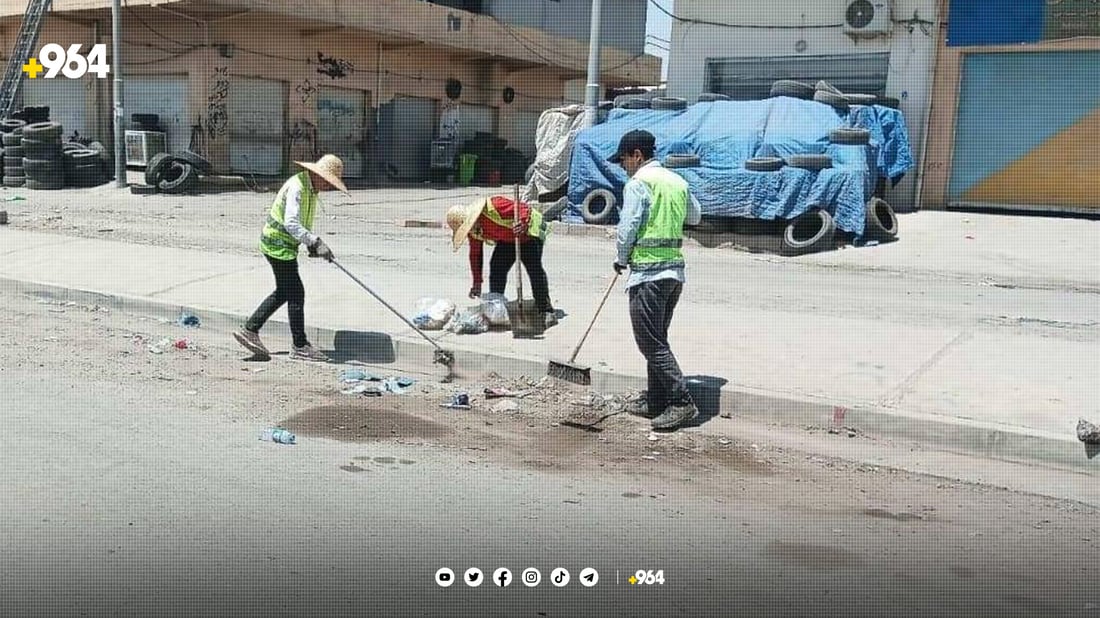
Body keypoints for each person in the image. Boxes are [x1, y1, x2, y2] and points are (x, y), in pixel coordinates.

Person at [609, 130, 702, 431]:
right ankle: (656, 400)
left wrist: (621, 259)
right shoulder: (677, 181)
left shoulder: (639, 183)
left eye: (624, 160)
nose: (623, 166)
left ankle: (682, 402)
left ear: (637, 155)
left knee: (649, 343)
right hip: (674, 274)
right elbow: (695, 217)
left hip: (648, 274)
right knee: (657, 340)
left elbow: (628, 227)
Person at [233, 154, 348, 362]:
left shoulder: (310, 189)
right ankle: (300, 345)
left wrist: (311, 246)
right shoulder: (298, 187)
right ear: (317, 174)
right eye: (328, 182)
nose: (329, 187)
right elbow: (291, 224)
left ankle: (250, 329)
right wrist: (315, 241)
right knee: (296, 293)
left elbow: (300, 224)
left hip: (283, 246)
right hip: (276, 245)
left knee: (285, 291)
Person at [446, 195, 557, 327]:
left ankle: (546, 310)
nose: (469, 230)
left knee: (534, 270)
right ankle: (496, 309)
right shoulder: (474, 232)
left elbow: (523, 209)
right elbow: (475, 255)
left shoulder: (494, 206)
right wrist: (477, 282)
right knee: (497, 267)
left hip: (528, 234)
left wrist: (523, 224)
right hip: (508, 239)